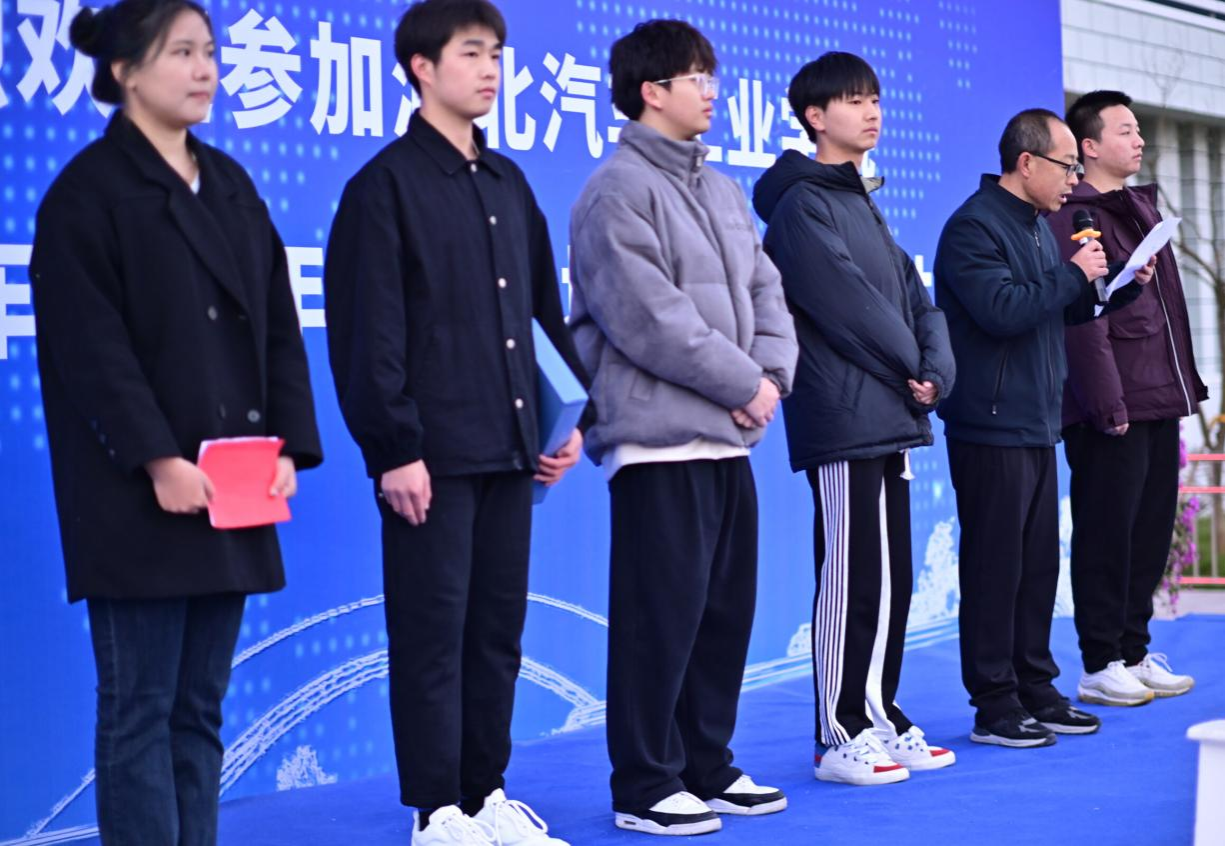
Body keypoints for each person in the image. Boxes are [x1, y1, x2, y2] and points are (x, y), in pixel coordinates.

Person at [28, 1, 323, 843]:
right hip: (136, 497)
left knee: (200, 707)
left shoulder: (229, 183)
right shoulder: (87, 195)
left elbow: (277, 323)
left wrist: (288, 448)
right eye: (181, 53)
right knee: (140, 708)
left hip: (231, 487)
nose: (206, 70)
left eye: (210, 52)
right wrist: (158, 459)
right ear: (125, 72)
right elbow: (92, 352)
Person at [323, 1, 586, 844]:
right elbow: (369, 333)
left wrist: (563, 424)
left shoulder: (508, 183)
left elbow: (546, 318)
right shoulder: (384, 188)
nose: (491, 70)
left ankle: (486, 794)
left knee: (496, 634)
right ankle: (436, 810)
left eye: (497, 55)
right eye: (471, 53)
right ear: (421, 67)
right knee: (431, 635)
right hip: (430, 458)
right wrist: (393, 449)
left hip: (512, 452)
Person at [567, 19, 799, 837]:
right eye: (696, 78)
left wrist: (770, 379)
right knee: (658, 616)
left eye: (711, 76)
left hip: (729, 436)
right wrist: (744, 384)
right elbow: (648, 318)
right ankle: (645, 780)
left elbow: (768, 293)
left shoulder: (723, 189)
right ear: (650, 92)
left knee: (722, 613)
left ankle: (708, 762)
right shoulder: (615, 190)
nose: (711, 91)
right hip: (657, 439)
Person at [752, 51, 957, 786]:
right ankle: (838, 732)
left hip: (889, 412)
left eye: (875, 99)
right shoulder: (801, 206)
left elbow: (916, 299)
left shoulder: (862, 200)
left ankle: (879, 712)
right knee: (850, 574)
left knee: (890, 577)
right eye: (852, 100)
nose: (871, 112)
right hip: (843, 416)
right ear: (815, 116)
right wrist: (914, 367)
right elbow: (849, 306)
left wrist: (936, 370)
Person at [933, 108, 1153, 749]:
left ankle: (1036, 687)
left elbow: (1059, 308)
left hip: (1035, 421)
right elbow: (1003, 310)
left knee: (1035, 569)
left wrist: (1119, 285)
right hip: (990, 422)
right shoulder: (974, 227)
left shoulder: (1034, 226)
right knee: (995, 567)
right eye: (1067, 166)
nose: (1074, 180)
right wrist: (1072, 273)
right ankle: (994, 703)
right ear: (1026, 163)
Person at [1049, 90, 1206, 706]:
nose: (1138, 140)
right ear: (1088, 146)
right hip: (1110, 403)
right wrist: (1106, 403)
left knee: (1148, 531)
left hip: (1157, 393)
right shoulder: (1072, 215)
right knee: (1106, 532)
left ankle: (1135, 650)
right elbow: (1083, 324)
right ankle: (1100, 661)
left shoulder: (1141, 207)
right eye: (1125, 130)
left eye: (1138, 130)